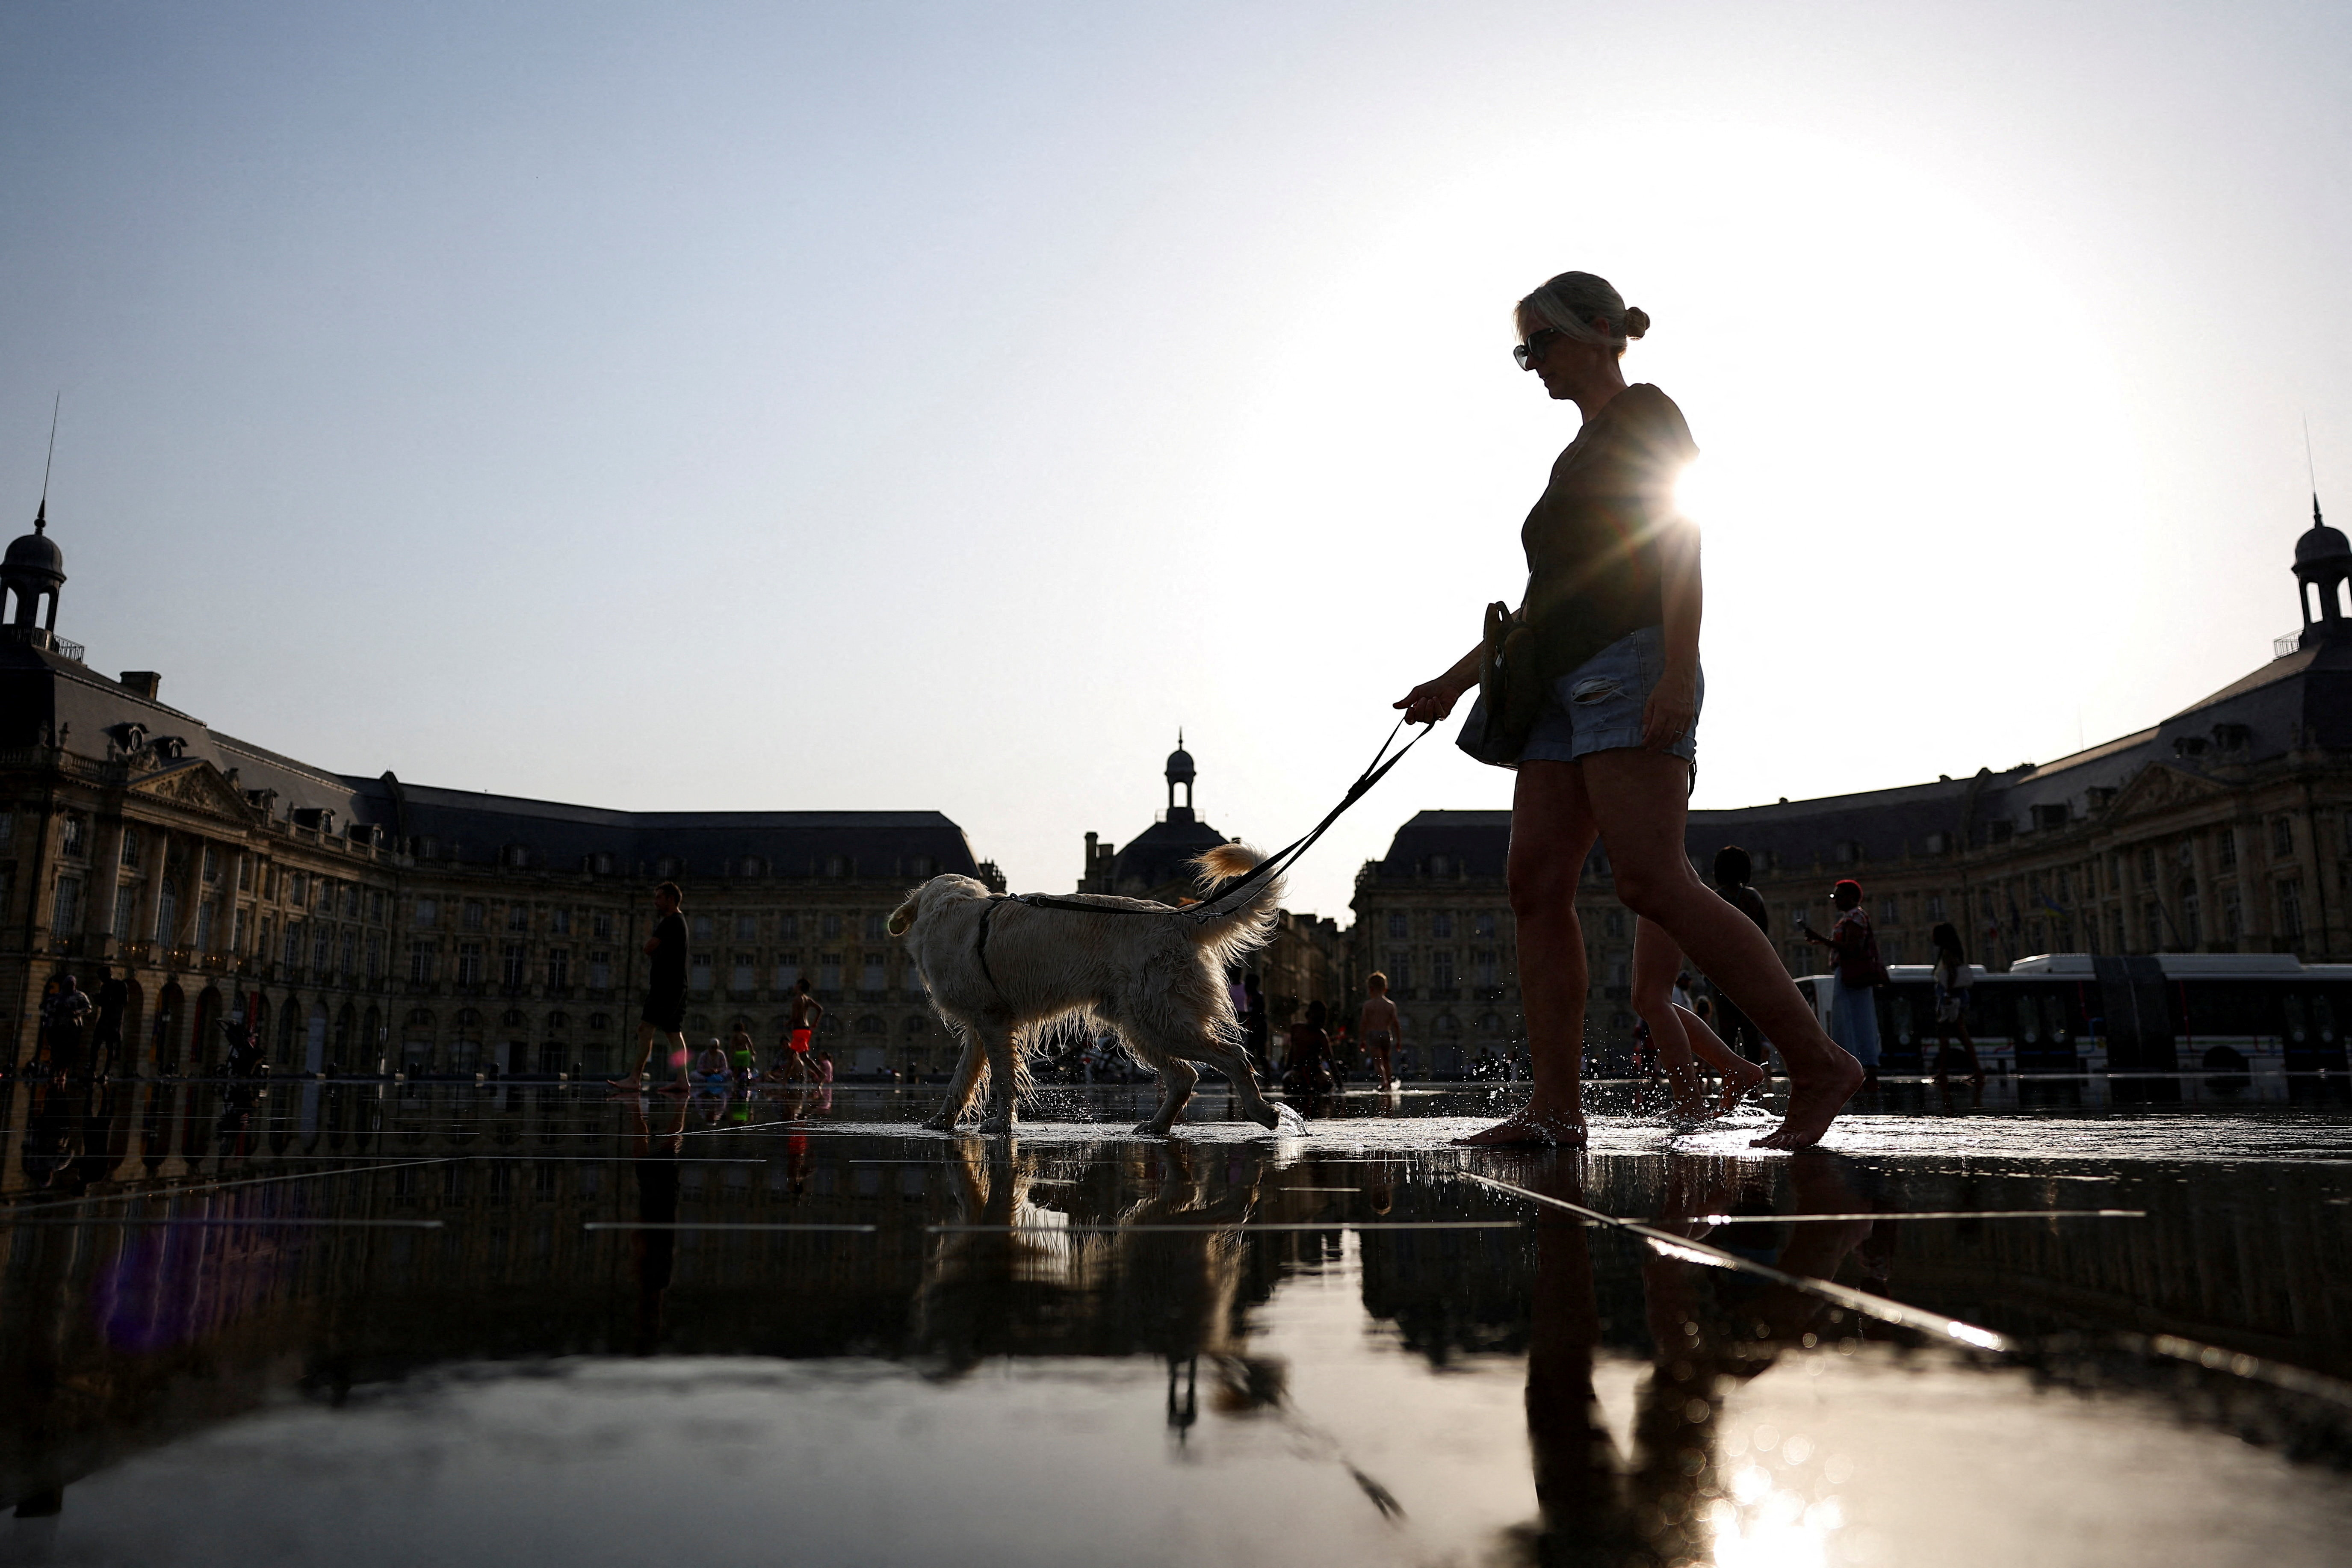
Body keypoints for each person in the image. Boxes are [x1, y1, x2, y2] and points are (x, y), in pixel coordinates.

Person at [1397, 269, 1862, 1149]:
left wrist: (1678, 669)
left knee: (1649, 879)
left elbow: (1677, 535)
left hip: (1627, 662)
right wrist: (1453, 681)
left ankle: (1818, 1063)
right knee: (1533, 885)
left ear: (1600, 333)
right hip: (1546, 687)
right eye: (1521, 349)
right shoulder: (1570, 455)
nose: (1531, 363)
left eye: (1542, 344)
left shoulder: (1645, 411)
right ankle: (1556, 1109)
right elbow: (1542, 602)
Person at [608, 882, 693, 1094]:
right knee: (674, 1033)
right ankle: (683, 1080)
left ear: (671, 899)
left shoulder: (670, 922)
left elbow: (648, 948)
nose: (655, 903)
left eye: (659, 898)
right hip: (678, 985)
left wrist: (657, 952)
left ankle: (635, 1078)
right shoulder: (681, 922)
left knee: (645, 1029)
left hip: (665, 987)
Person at [1802, 879, 1882, 1086]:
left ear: (1852, 898)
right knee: (1858, 1020)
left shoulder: (1856, 916)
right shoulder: (1852, 917)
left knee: (1849, 1020)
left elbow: (1851, 948)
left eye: (1838, 896)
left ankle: (1858, 1067)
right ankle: (1863, 1066)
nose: (1835, 900)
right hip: (1850, 974)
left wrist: (1822, 939)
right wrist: (1822, 940)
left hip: (1851, 974)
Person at [1706, 847, 1774, 1064]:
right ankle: (1754, 1075)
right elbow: (1764, 935)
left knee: (1727, 1029)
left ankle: (1731, 1076)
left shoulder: (1714, 899)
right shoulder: (1753, 898)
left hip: (1723, 973)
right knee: (1750, 1027)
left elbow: (1706, 939)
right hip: (1751, 971)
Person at [1928, 921, 1985, 1085]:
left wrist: (1947, 994)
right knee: (1957, 1037)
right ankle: (1972, 1071)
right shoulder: (1953, 951)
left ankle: (1946, 1073)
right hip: (1955, 1000)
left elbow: (1951, 975)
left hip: (1950, 1001)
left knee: (1947, 1037)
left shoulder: (1947, 953)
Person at [39, 973, 91, 1083]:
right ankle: (54, 1071)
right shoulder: (57, 997)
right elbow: (46, 1007)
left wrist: (77, 1012)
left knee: (68, 1051)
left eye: (72, 984)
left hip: (72, 1027)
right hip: (57, 1026)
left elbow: (88, 1008)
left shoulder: (80, 996)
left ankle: (63, 1073)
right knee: (56, 1050)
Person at [1357, 972, 1402, 1090]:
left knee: (1378, 1061)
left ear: (1370, 989)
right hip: (1386, 1034)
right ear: (1385, 989)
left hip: (1374, 1034)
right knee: (1387, 1060)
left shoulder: (1368, 1005)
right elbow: (1396, 1024)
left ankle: (1383, 1082)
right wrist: (1399, 1041)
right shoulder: (1390, 1005)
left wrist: (1362, 1040)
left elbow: (1364, 1023)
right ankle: (1389, 1082)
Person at [1282, 1000, 1335, 1093]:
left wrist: (1340, 1086)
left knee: (1325, 1083)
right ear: (1308, 1016)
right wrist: (1286, 1073)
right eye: (1316, 1019)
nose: (1319, 1023)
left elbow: (1330, 1060)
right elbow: (1292, 1053)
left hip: (1316, 1071)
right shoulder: (1297, 1029)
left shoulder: (1322, 1035)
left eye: (1322, 1020)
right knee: (1290, 1081)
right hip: (1298, 1070)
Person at [89, 967, 128, 1080]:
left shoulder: (120, 985)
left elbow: (124, 1002)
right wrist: (98, 999)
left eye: (101, 977)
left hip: (113, 1020)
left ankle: (105, 1072)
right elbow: (104, 1003)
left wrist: (109, 1000)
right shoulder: (105, 987)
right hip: (105, 1018)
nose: (101, 979)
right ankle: (93, 1071)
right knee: (95, 1045)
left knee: (110, 1047)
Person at [785, 978, 824, 1081]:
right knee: (792, 1055)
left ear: (800, 986)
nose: (794, 987)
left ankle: (820, 1074)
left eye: (796, 985)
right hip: (805, 1030)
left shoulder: (797, 999)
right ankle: (784, 1078)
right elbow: (820, 1009)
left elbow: (795, 1016)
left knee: (802, 1057)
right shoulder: (807, 999)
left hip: (799, 1030)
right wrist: (815, 1023)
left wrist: (788, 1023)